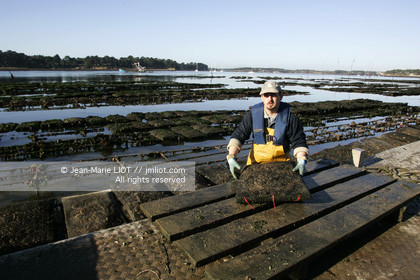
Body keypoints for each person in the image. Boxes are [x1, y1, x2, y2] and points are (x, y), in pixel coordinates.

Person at [226, 81, 308, 179]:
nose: (270, 99)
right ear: (262, 97)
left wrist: (301, 159)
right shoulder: (252, 115)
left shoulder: (291, 118)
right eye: (266, 95)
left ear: (281, 96)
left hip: (282, 163)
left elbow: (299, 141)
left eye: (273, 95)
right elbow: (239, 135)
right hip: (256, 162)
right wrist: (231, 156)